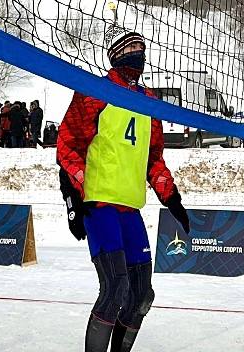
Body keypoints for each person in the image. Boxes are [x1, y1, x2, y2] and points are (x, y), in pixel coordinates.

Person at [57, 25, 190, 352]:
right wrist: (74, 200)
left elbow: (153, 158)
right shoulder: (94, 92)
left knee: (142, 293)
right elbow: (67, 146)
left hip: (130, 208)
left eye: (141, 49)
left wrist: (172, 197)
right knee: (115, 288)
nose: (138, 55)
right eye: (130, 49)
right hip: (99, 204)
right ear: (115, 55)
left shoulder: (149, 102)